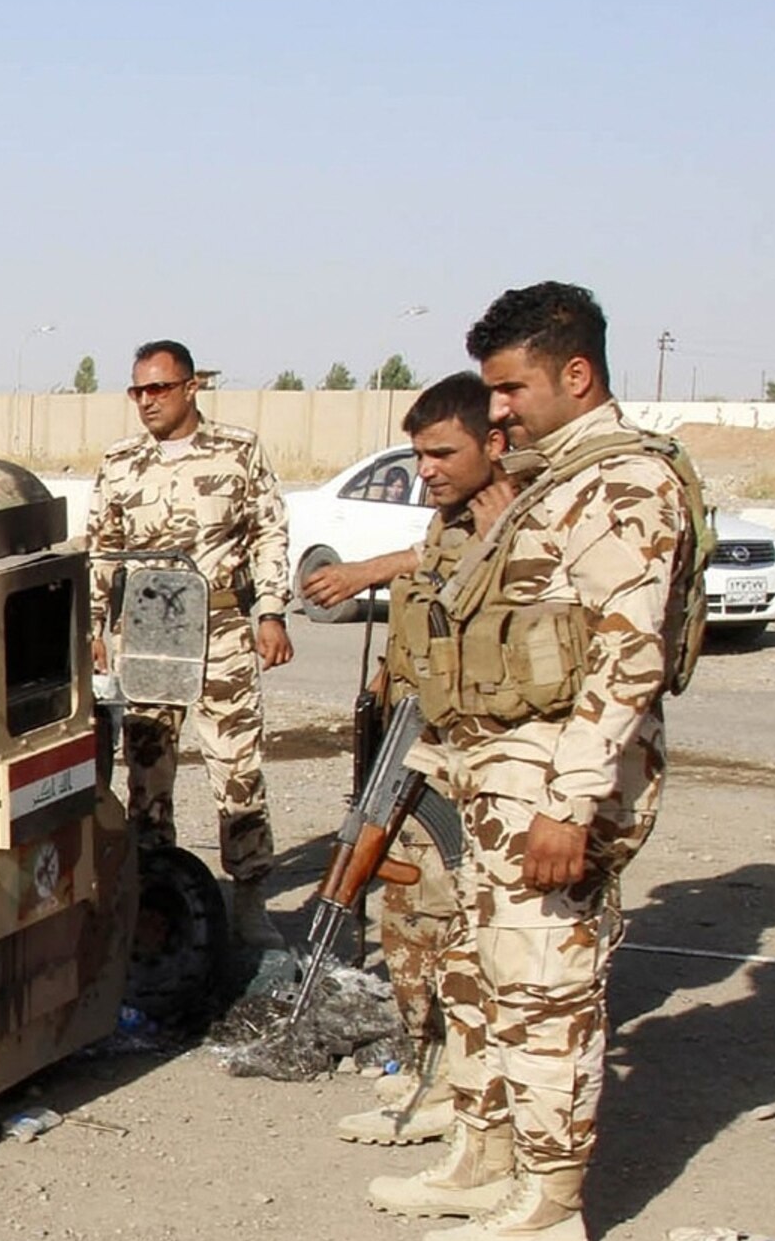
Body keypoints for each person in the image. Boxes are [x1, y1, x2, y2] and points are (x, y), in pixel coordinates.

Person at [367, 283, 694, 1241]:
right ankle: (485, 1155)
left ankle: (551, 1204)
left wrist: (571, 803)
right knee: (482, 971)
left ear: (576, 374)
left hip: (553, 784)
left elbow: (627, 654)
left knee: (545, 983)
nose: (495, 408)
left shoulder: (625, 484)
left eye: (510, 389)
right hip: (498, 776)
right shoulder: (553, 482)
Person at [327, 373, 509, 1146]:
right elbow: (427, 573)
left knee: (460, 930)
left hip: (467, 765)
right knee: (406, 918)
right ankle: (429, 1069)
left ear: (493, 445)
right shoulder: (452, 523)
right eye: (418, 453)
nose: (425, 469)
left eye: (442, 452)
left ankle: (468, 1090)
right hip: (414, 748)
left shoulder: (515, 524)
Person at [85, 340, 293, 945]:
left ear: (191, 386)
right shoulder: (122, 461)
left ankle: (250, 899)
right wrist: (93, 629)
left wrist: (272, 612)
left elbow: (270, 533)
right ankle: (156, 902)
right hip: (149, 633)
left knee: (237, 769)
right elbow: (101, 547)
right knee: (147, 772)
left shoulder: (237, 450)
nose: (147, 401)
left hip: (222, 627)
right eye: (137, 391)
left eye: (159, 389)